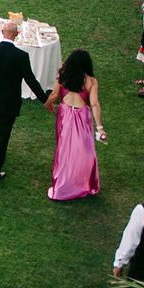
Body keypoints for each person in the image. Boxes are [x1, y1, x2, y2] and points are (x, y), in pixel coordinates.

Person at [0, 19, 47, 181]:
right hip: (9, 101)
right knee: (3, 133)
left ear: (2, 32)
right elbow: (31, 80)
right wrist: (45, 100)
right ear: (16, 35)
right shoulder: (21, 56)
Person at [45, 48, 105, 201]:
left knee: (64, 149)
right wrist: (100, 127)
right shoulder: (91, 81)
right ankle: (82, 182)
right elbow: (94, 104)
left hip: (64, 115)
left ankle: (64, 183)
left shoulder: (63, 75)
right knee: (85, 150)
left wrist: (48, 104)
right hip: (81, 116)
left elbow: (54, 94)